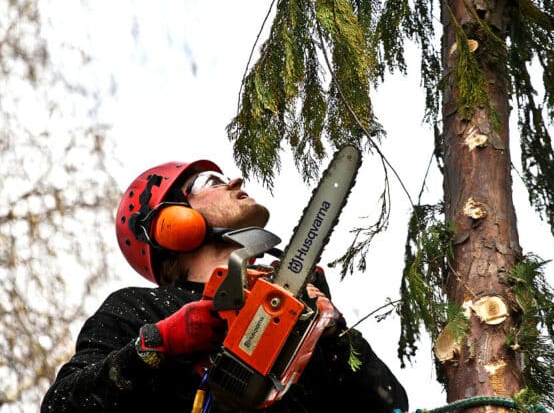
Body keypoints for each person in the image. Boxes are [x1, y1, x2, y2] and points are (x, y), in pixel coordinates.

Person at [41, 159, 409, 412]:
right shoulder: (138, 309)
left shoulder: (293, 308)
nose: (234, 181)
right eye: (208, 183)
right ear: (169, 219)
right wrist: (158, 343)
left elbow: (391, 403)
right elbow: (62, 405)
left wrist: (333, 336)